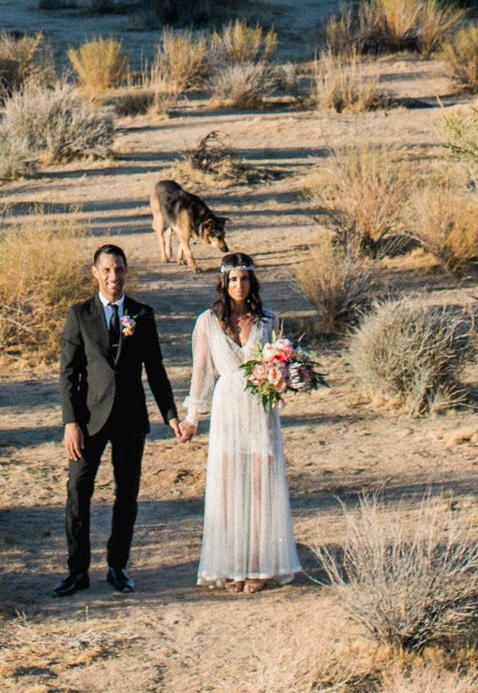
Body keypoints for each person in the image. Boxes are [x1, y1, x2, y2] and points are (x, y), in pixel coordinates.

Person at [55, 242, 180, 596]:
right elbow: (68, 374)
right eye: (107, 270)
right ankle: (77, 571)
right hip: (88, 420)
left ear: (126, 272)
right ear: (95, 272)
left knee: (127, 494)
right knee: (78, 490)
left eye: (120, 269)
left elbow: (155, 369)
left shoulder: (141, 314)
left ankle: (117, 566)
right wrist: (71, 423)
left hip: (130, 418)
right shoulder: (79, 314)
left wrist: (170, 414)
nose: (114, 276)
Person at [183, 252, 299, 592]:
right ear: (223, 282)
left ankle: (260, 566)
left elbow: (283, 364)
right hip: (227, 408)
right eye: (233, 279)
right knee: (229, 486)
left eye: (244, 278)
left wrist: (285, 378)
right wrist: (192, 417)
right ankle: (233, 565)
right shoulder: (207, 321)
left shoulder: (268, 320)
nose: (239, 285)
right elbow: (201, 373)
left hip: (259, 408)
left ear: (252, 282)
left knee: (261, 485)